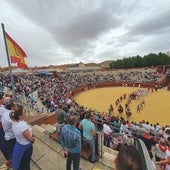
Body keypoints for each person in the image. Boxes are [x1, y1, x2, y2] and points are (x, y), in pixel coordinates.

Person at [10, 105, 35, 170]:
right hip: (26, 146)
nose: (25, 113)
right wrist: (33, 139)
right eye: (24, 112)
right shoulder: (22, 126)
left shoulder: (14, 121)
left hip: (20, 142)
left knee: (23, 162)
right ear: (20, 116)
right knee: (26, 164)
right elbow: (30, 139)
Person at [2, 100, 18, 167]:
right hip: (12, 138)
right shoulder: (12, 114)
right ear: (12, 107)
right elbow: (19, 126)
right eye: (15, 105)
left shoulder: (6, 113)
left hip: (8, 137)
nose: (17, 106)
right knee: (16, 158)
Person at [0, 92, 6, 158]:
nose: (4, 99)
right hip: (2, 128)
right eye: (3, 98)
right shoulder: (1, 109)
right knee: (4, 144)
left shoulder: (2, 107)